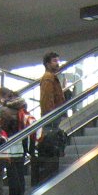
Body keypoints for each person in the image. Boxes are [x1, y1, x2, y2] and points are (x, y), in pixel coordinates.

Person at [33, 51, 66, 185]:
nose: (57, 63)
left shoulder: (52, 77)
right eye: (54, 61)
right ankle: (49, 176)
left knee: (51, 146)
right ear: (47, 63)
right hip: (51, 117)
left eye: (58, 60)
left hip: (53, 117)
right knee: (51, 145)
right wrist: (51, 115)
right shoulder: (48, 78)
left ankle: (48, 175)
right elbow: (47, 100)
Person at [0, 86, 31, 195]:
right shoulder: (21, 107)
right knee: (20, 173)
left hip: (10, 145)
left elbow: (4, 128)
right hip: (21, 144)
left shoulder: (4, 110)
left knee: (12, 174)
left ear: (2, 97)